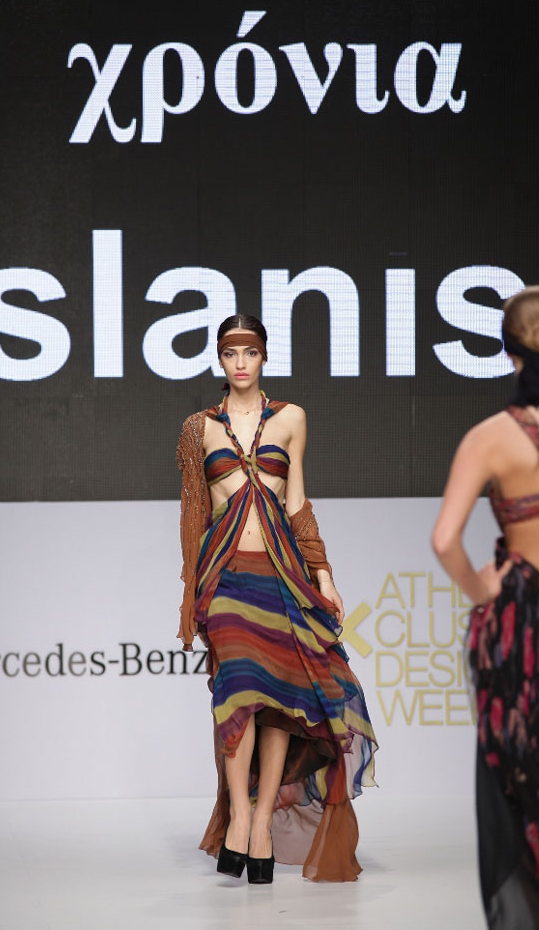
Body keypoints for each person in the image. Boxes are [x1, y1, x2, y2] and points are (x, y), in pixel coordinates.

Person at [176, 314, 377, 884]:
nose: (241, 362)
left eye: (250, 352)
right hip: (226, 577)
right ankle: (239, 815)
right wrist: (190, 595)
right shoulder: (198, 428)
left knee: (282, 701)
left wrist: (324, 575)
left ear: (264, 356)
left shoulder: (291, 419)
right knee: (237, 692)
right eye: (230, 352)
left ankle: (262, 821)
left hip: (282, 574)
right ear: (220, 359)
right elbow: (193, 516)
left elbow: (297, 503)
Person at [432, 285, 539, 926]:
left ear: (507, 351)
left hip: (525, 633)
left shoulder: (490, 437)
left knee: (526, 778)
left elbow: (444, 540)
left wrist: (482, 590)